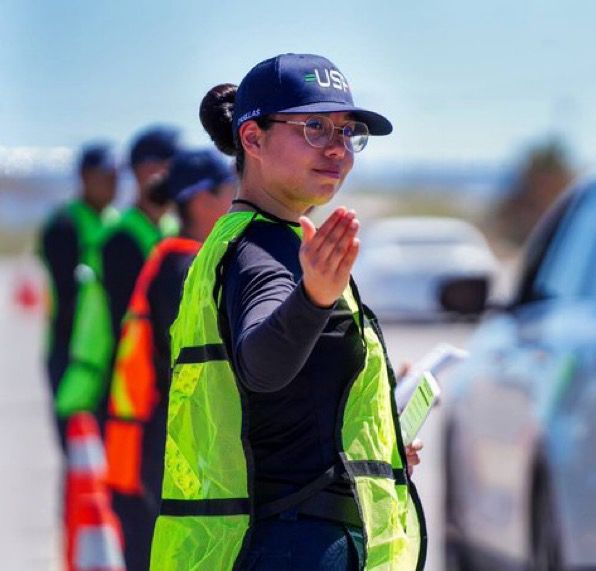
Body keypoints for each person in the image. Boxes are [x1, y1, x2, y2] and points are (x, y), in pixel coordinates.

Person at [150, 53, 427, 571]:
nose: (337, 148)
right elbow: (263, 366)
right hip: (290, 543)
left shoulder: (260, 240)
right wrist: (313, 297)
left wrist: (376, 445)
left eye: (348, 132)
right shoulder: (261, 253)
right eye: (315, 127)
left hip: (287, 535)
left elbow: (286, 415)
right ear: (252, 138)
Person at [104, 149, 236, 571]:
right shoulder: (185, 270)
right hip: (172, 447)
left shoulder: (169, 258)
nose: (237, 196)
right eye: (229, 188)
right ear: (202, 200)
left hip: (157, 439)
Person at [55, 126, 181, 424]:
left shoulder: (171, 229)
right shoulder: (118, 239)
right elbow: (121, 323)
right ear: (149, 170)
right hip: (122, 387)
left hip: (156, 384)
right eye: (174, 162)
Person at [39, 143, 118, 452]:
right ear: (84, 176)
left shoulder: (118, 222)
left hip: (108, 348)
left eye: (115, 174)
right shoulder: (63, 225)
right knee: (78, 448)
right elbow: (65, 293)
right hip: (70, 348)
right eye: (104, 174)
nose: (111, 181)